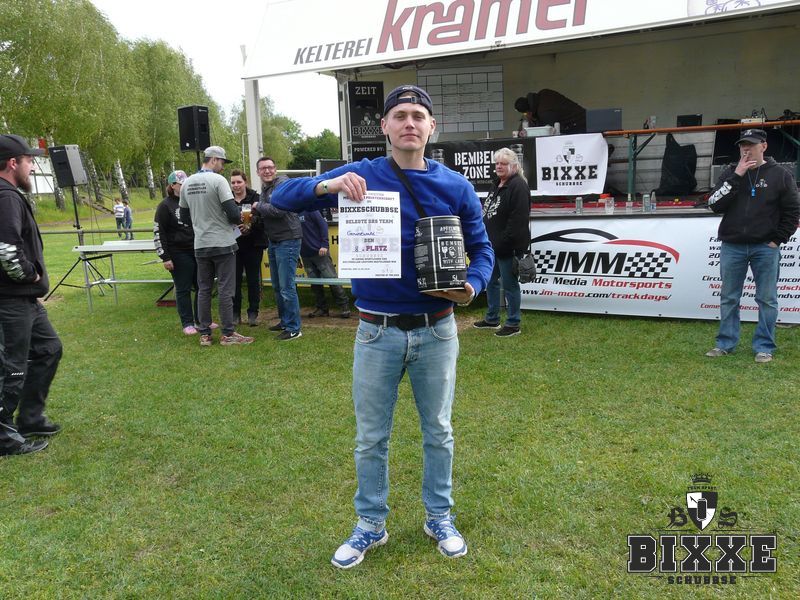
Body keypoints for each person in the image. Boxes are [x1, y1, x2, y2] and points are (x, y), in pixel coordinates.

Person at [271, 84, 494, 568]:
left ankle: (439, 517)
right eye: (400, 115)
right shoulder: (361, 174)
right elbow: (282, 196)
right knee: (371, 437)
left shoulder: (456, 186)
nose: (409, 123)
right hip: (376, 330)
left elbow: (483, 249)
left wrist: (473, 286)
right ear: (385, 126)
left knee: (438, 430)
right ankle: (371, 524)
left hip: (437, 329)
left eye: (418, 115)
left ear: (432, 126)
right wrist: (329, 186)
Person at [705, 128, 799, 363]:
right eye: (742, 145)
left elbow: (792, 211)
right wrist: (736, 176)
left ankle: (764, 347)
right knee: (729, 297)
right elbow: (713, 204)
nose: (746, 149)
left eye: (751, 145)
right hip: (732, 245)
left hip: (765, 247)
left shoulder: (781, 174)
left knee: (767, 299)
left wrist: (777, 240)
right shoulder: (730, 172)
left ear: (763, 146)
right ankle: (725, 344)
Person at [0, 134, 63, 456]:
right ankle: (3, 436)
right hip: (11, 298)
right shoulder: (6, 197)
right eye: (29, 161)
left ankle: (29, 417)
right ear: (13, 163)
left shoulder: (9, 195)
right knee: (12, 366)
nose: (33, 168)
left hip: (25, 299)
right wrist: (31, 274)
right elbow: (6, 249)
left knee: (49, 348)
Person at [179, 146, 254, 346]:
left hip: (200, 244)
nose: (223, 167)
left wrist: (201, 223)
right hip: (223, 243)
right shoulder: (218, 180)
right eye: (222, 163)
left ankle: (204, 334)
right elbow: (233, 213)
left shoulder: (187, 183)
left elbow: (184, 217)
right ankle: (228, 333)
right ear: (213, 160)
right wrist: (238, 219)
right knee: (225, 289)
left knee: (203, 289)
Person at [473, 148, 531, 337]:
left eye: (503, 163)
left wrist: (505, 242)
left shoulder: (518, 186)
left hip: (508, 247)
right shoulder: (497, 183)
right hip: (492, 246)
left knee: (510, 284)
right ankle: (492, 318)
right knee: (491, 282)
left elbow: (518, 220)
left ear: (513, 166)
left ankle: (513, 323)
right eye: (497, 163)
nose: (499, 166)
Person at [252, 157, 302, 341]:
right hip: (274, 240)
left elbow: (278, 211)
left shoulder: (282, 184)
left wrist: (258, 206)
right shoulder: (265, 188)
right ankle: (285, 321)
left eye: (270, 167)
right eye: (263, 168)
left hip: (288, 238)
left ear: (275, 169)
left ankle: (294, 328)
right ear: (258, 172)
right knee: (277, 286)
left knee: (286, 286)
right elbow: (265, 214)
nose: (267, 171)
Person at [154, 170, 200, 335]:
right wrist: (165, 257)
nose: (184, 187)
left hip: (197, 249)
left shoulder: (192, 202)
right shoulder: (165, 206)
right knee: (183, 288)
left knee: (202, 286)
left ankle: (201, 319)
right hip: (178, 252)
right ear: (173, 185)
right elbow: (159, 232)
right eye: (181, 184)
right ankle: (187, 322)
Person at [299, 208, 350, 319]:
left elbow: (323, 225)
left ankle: (344, 307)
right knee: (314, 284)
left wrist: (324, 245)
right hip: (305, 254)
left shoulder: (310, 209)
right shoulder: (292, 212)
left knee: (332, 280)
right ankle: (321, 308)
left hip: (320, 252)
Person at [230, 169, 266, 327]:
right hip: (233, 245)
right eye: (233, 182)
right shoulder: (227, 199)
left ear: (245, 182)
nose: (236, 185)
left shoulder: (256, 198)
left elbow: (264, 219)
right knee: (234, 281)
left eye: (239, 182)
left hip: (253, 244)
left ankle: (253, 313)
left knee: (253, 280)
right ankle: (235, 313)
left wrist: (251, 225)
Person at [514, 89, 586, 135]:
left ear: (528, 111)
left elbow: (550, 132)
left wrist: (531, 120)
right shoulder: (543, 93)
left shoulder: (544, 112)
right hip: (583, 117)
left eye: (525, 113)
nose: (525, 115)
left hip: (579, 125)